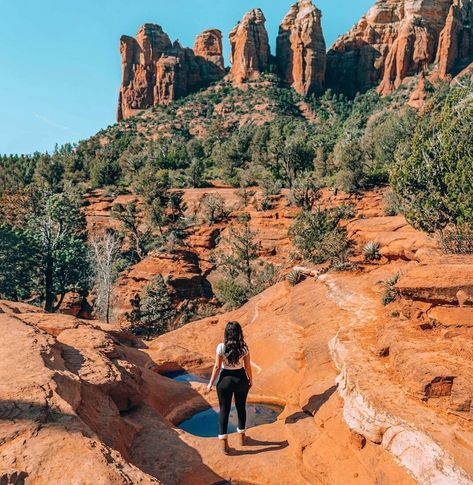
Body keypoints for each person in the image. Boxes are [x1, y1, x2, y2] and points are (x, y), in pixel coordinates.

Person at [207, 321, 253, 455]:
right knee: (240, 407)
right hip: (241, 379)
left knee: (224, 410)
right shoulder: (244, 347)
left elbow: (216, 366)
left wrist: (211, 383)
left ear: (226, 333)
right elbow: (248, 366)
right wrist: (250, 380)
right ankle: (242, 438)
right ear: (239, 332)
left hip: (224, 381)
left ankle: (224, 445)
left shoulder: (221, 347)